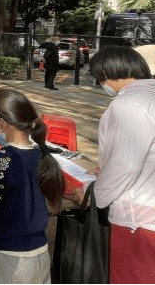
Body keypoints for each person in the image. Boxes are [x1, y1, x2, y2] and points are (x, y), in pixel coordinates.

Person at [84, 46, 155, 284]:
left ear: (108, 73)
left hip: (140, 221)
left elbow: (123, 169)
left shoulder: (128, 106)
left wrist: (93, 194)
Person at [0, 89, 64, 284]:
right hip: (40, 252)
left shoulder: (1, 160)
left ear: (1, 123)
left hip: (7, 255)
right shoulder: (42, 155)